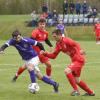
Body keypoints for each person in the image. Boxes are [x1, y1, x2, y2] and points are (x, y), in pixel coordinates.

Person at [41, 29, 95, 96]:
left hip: (79, 59)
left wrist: (80, 51)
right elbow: (54, 56)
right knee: (77, 80)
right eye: (53, 36)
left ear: (60, 35)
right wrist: (45, 54)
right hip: (75, 60)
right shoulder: (58, 44)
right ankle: (91, 92)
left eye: (55, 36)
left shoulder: (66, 40)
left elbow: (76, 44)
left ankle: (76, 91)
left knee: (67, 71)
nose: (54, 38)